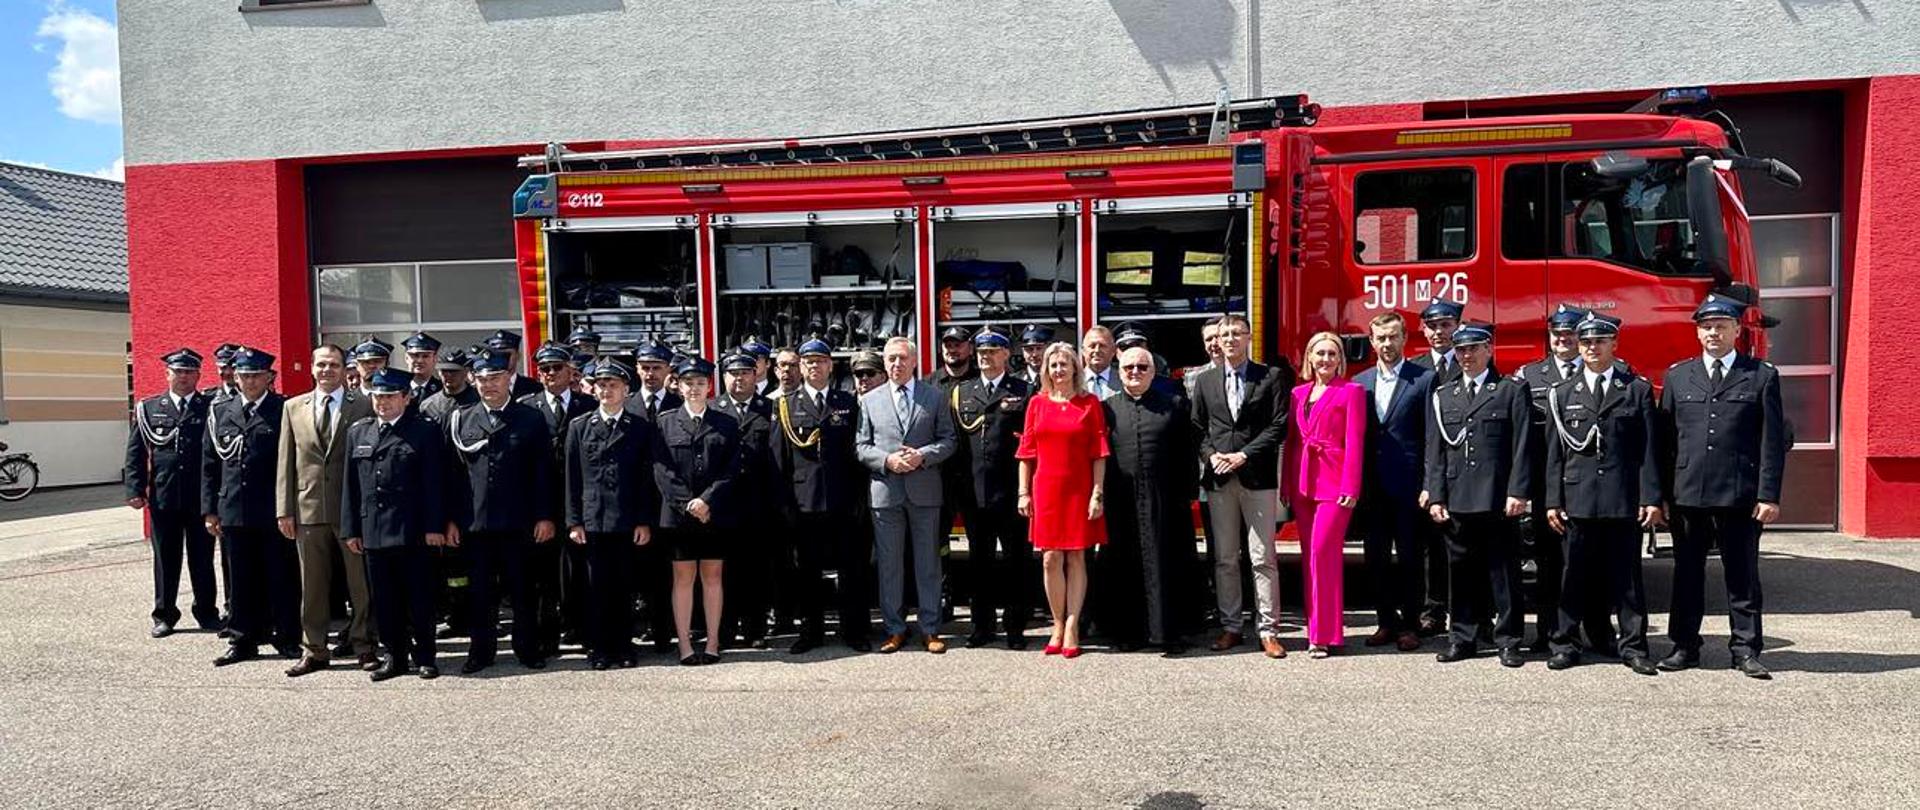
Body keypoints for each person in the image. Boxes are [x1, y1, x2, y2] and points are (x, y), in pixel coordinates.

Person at [1659, 294, 1788, 680]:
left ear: (1736, 330)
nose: (1713, 332)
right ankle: (1684, 646)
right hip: (1688, 494)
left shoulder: (1761, 375)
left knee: (1742, 574)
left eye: (1720, 326)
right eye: (1706, 326)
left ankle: (1746, 650)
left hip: (1740, 494)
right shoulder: (1678, 376)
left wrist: (1769, 494)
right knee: (1687, 574)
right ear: (1698, 332)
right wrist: (1662, 496)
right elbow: (1666, 441)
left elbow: (1771, 441)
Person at [1543, 312, 1664, 676]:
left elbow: (1648, 451)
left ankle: (1633, 646)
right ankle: (1565, 643)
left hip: (1622, 500)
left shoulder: (1636, 389)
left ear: (1615, 344)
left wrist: (1651, 498)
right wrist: (1552, 500)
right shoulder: (1563, 393)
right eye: (1585, 343)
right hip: (1577, 500)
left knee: (1626, 580)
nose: (1591, 348)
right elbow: (1555, 454)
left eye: (1599, 341)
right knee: (1572, 578)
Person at [1423, 324, 1533, 667]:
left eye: (1473, 349)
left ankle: (1509, 639)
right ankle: (1463, 638)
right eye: (1460, 350)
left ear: (1489, 350)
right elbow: (1435, 451)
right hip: (1457, 497)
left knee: (1504, 572)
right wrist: (1437, 496)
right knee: (1461, 573)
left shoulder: (1511, 390)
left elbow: (1522, 446)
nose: (1466, 356)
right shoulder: (1444, 395)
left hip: (1498, 497)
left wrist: (1518, 491)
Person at [445, 350, 557, 673]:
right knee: (479, 593)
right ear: (473, 381)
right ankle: (481, 652)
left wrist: (545, 516)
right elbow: (453, 475)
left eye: (495, 378)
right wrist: (451, 519)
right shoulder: (461, 418)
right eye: (481, 379)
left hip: (519, 522)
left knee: (523, 590)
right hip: (475, 523)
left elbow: (544, 473)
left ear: (509, 378)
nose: (488, 385)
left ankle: (527, 648)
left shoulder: (531, 418)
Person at [1514, 305, 1616, 653]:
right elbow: (1522, 437)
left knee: (1594, 564)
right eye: (1556, 333)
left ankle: (1599, 633)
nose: (1562, 338)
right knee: (1549, 564)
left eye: (1570, 333)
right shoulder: (1529, 376)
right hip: (1548, 485)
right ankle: (1549, 632)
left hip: (1590, 484)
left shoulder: (1611, 376)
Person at [1189, 314, 1290, 658]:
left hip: (1256, 477)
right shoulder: (1205, 381)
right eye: (1223, 334)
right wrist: (1212, 456)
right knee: (1225, 559)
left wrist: (1244, 455)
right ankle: (1231, 626)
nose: (1229, 339)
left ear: (1249, 337)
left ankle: (1268, 630)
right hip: (1219, 478)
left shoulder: (1271, 376)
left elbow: (1279, 425)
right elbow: (1197, 428)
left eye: (1236, 333)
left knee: (1263, 557)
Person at [274, 344, 378, 676]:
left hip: (351, 511)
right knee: (313, 585)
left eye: (333, 365)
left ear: (344, 368)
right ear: (311, 368)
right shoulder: (293, 407)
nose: (326, 370)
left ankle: (364, 645)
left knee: (359, 584)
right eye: (321, 364)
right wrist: (284, 510)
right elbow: (286, 463)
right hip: (308, 509)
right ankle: (314, 649)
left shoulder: (363, 404)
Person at [340, 368, 449, 681]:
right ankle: (395, 656)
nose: (382, 402)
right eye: (377, 396)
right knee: (386, 602)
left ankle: (426, 655)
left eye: (389, 396)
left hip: (413, 531)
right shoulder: (359, 432)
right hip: (373, 531)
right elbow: (351, 486)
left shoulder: (424, 431)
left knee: (420, 599)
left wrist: (434, 527)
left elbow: (434, 484)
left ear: (406, 397)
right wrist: (351, 529)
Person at [856, 337, 958, 654]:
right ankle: (894, 629)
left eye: (902, 358)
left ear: (915, 361)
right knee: (889, 565)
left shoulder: (935, 396)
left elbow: (949, 439)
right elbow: (861, 447)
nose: (896, 364)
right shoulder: (869, 401)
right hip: (886, 492)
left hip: (924, 491)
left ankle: (930, 629)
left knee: (928, 563)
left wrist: (923, 455)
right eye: (890, 359)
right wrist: (887, 460)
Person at [773, 339, 872, 653]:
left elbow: (858, 455)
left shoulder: (848, 402)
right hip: (805, 504)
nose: (814, 366)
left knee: (852, 569)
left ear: (831, 366)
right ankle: (811, 632)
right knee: (807, 572)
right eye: (808, 362)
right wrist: (786, 506)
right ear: (801, 367)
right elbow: (780, 461)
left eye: (820, 361)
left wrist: (859, 500)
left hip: (844, 501)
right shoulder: (785, 404)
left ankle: (853, 631)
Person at [203, 348, 299, 666]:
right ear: (236, 377)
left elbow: (294, 463)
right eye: (244, 375)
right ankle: (242, 640)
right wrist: (210, 510)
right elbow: (210, 464)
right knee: (241, 580)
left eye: (257, 375)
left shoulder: (283, 409)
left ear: (269, 377)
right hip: (233, 509)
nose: (250, 381)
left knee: (280, 576)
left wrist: (290, 508)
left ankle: (286, 637)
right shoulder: (220, 411)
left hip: (273, 510)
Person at [565, 359, 659, 670]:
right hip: (593, 521)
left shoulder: (640, 428)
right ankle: (599, 648)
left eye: (613, 385)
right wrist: (574, 521)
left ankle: (623, 646)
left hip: (626, 520)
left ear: (626, 391)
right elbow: (571, 478)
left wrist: (644, 520)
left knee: (624, 587)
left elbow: (647, 480)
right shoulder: (580, 426)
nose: (606, 390)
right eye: (601, 384)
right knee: (595, 588)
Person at [1016, 341, 1108, 658]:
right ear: (1046, 371)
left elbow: (1099, 453)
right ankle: (1056, 623)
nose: (1058, 370)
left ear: (1075, 369)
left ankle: (1072, 625)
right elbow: (1026, 453)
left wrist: (1097, 494)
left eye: (1064, 364)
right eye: (1053, 365)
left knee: (1077, 557)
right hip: (1046, 490)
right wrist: (1023, 492)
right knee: (1050, 558)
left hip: (1080, 490)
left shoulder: (1089, 403)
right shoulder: (1036, 404)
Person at [1100, 346, 1195, 655]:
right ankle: (1127, 633)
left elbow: (1187, 454)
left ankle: (1169, 633)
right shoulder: (1107, 408)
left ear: (1154, 373)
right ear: (1119, 371)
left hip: (1165, 500)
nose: (1135, 372)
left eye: (1142, 367)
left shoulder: (1175, 405)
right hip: (1121, 500)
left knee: (1167, 564)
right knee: (1123, 564)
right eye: (1129, 367)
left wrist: (1186, 495)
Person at [650, 357, 742, 666]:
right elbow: (661, 469)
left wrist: (708, 501)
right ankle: (686, 644)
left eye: (700, 383)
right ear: (679, 385)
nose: (695, 388)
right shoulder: (664, 422)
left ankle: (713, 641)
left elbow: (731, 470)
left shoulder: (727, 423)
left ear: (709, 386)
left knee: (713, 576)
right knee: (683, 578)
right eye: (689, 383)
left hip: (714, 514)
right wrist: (689, 503)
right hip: (679, 517)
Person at [1282, 332, 1367, 658]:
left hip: (1334, 485)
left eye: (1332, 354)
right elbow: (1291, 443)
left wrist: (1351, 486)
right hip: (1303, 484)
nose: (1326, 360)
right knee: (1309, 558)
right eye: (1320, 354)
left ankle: (1325, 635)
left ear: (1340, 359)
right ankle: (1316, 631)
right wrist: (1288, 485)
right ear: (1310, 357)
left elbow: (1355, 442)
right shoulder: (1297, 393)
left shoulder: (1351, 392)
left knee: (1323, 555)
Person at [125, 348, 219, 637]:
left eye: (189, 372)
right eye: (178, 371)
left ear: (198, 375)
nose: (183, 377)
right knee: (166, 558)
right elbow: (136, 452)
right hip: (164, 497)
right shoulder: (150, 408)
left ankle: (206, 612)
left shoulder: (210, 407)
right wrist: (135, 488)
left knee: (202, 557)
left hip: (199, 496)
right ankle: (164, 615)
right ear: (167, 374)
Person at [1352, 312, 1432, 652]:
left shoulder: (1425, 379)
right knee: (1376, 558)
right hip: (1372, 487)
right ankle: (1386, 621)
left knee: (1412, 558)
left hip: (1410, 486)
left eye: (1393, 337)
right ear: (1372, 342)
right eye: (1380, 338)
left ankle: (1411, 625)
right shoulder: (1360, 382)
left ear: (1405, 338)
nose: (1387, 344)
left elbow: (1432, 437)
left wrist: (1430, 484)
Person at [951, 328, 1034, 650]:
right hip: (974, 494)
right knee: (979, 564)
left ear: (1005, 355)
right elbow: (956, 444)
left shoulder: (1023, 391)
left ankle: (1015, 627)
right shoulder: (962, 391)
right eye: (981, 351)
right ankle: (981, 627)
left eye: (992, 351)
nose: (985, 356)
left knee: (1016, 563)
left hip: (1012, 493)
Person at [713, 354, 778, 649]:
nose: (738, 379)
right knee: (723, 571)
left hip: (758, 504)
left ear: (756, 375)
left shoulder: (771, 409)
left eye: (744, 373)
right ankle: (724, 630)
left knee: (756, 571)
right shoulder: (713, 408)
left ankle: (755, 629)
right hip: (722, 505)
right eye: (732, 373)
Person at [419, 347, 480, 423]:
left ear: (466, 371)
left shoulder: (480, 401)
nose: (448, 375)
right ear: (439, 372)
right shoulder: (429, 405)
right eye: (444, 370)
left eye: (454, 371)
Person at [482, 329, 545, 399]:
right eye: (498, 355)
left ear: (518, 355)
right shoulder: (482, 388)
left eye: (507, 355)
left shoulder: (534, 387)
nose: (503, 359)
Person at [400, 331, 444, 405]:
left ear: (435, 359)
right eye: (416, 355)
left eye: (425, 356)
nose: (420, 361)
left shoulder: (443, 389)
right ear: (406, 358)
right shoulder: (397, 389)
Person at [1081, 326, 1119, 400]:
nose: (1097, 350)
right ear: (1083, 351)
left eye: (1102, 346)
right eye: (1092, 346)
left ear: (1113, 351)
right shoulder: (1073, 381)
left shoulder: (1123, 380)